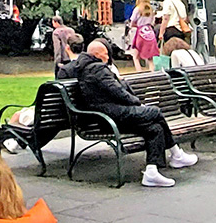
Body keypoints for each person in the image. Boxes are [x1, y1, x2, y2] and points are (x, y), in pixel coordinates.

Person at [74, 40, 197, 187]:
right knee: (155, 112)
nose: (108, 57)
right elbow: (116, 91)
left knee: (155, 129)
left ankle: (152, 171)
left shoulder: (88, 68)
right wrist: (137, 103)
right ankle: (176, 154)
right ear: (96, 54)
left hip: (109, 115)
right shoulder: (96, 68)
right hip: (112, 116)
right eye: (105, 54)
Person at [1, 34, 84, 155]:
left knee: (18, 115)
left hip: (58, 114)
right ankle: (19, 141)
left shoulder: (66, 70)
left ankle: (11, 142)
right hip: (75, 113)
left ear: (67, 48)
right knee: (31, 117)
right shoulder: (88, 67)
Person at [128, 0, 160, 73]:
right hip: (150, 32)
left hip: (140, 33)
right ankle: (152, 72)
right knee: (150, 57)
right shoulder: (150, 9)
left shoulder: (137, 9)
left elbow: (132, 22)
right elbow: (153, 22)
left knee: (135, 56)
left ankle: (139, 72)